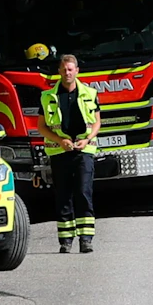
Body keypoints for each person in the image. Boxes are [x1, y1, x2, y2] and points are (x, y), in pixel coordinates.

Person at [42, 53, 100, 253]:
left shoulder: (90, 94)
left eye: (70, 69)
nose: (67, 73)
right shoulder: (47, 96)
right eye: (64, 69)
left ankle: (86, 239)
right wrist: (60, 141)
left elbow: (97, 122)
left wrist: (87, 139)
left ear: (77, 71)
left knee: (84, 192)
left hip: (84, 150)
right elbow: (41, 127)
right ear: (59, 72)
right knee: (63, 195)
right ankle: (65, 241)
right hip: (59, 151)